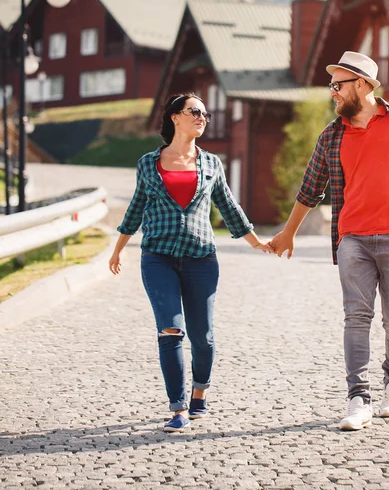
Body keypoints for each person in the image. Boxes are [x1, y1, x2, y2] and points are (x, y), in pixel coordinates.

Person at [269, 51, 389, 431]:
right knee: (356, 318)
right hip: (353, 238)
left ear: (361, 85)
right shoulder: (332, 135)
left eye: (337, 86)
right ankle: (358, 398)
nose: (333, 94)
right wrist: (288, 232)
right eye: (332, 87)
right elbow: (311, 190)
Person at [109, 92, 273, 433]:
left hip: (202, 259)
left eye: (205, 114)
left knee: (204, 337)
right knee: (170, 330)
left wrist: (256, 241)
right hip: (158, 258)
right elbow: (136, 208)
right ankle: (178, 407)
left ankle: (200, 394)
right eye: (194, 111)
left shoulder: (211, 163)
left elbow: (228, 206)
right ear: (175, 117)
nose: (202, 117)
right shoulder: (148, 163)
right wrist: (118, 247)